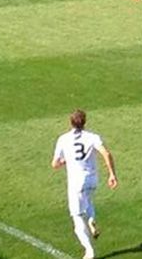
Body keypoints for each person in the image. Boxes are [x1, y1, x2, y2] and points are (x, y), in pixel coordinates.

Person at [51, 109, 118, 259]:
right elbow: (106, 153)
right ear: (85, 122)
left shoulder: (63, 139)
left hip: (76, 182)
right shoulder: (92, 137)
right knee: (88, 201)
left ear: (70, 122)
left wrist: (66, 160)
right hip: (92, 179)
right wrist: (112, 174)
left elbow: (55, 164)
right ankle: (92, 219)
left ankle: (89, 251)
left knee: (76, 217)